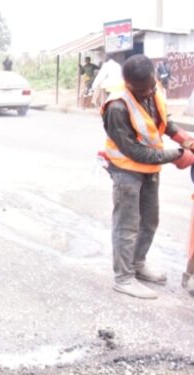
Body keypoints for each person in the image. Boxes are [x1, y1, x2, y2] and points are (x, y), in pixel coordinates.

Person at [100, 54, 194, 299]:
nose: (149, 92)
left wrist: (184, 138)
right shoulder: (117, 106)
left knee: (149, 220)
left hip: (150, 169)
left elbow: (163, 121)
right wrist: (176, 154)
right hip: (126, 170)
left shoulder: (154, 88)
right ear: (128, 84)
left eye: (151, 86)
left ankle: (137, 263)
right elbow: (133, 151)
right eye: (143, 89)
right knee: (127, 224)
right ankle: (123, 277)